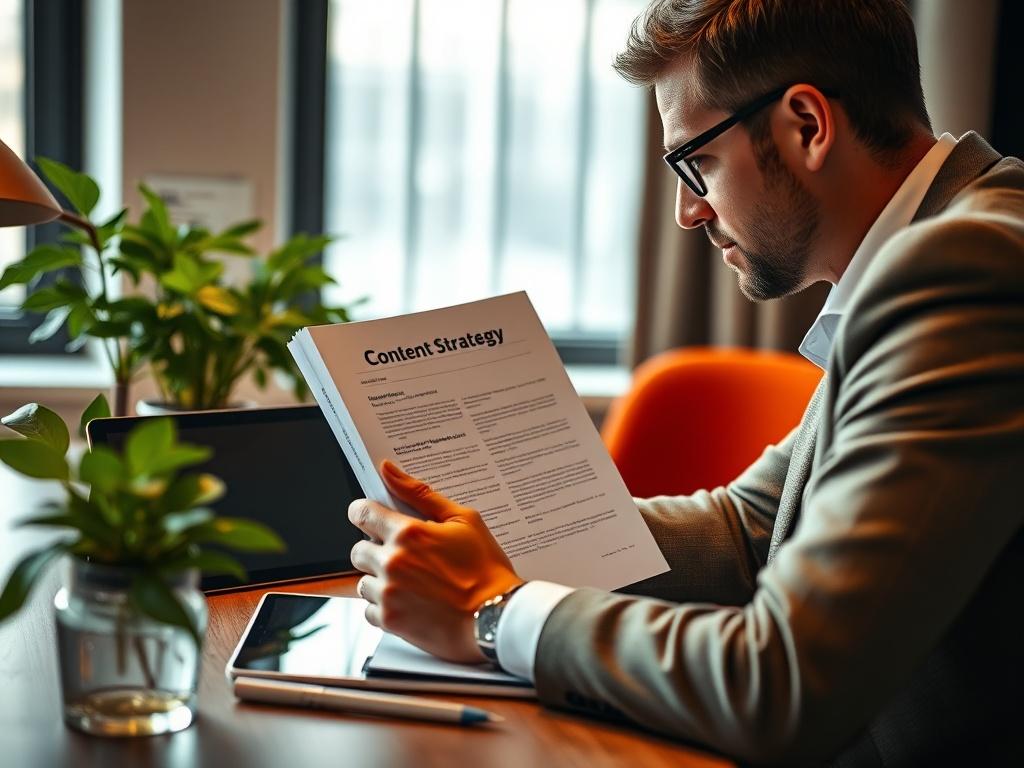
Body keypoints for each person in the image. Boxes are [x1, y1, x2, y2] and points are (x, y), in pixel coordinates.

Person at [346, 1, 1024, 764]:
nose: (686, 211)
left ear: (806, 124)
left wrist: (493, 609)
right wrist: (501, 542)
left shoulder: (966, 270)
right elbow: (751, 529)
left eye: (694, 162)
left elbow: (782, 684)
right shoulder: (945, 243)